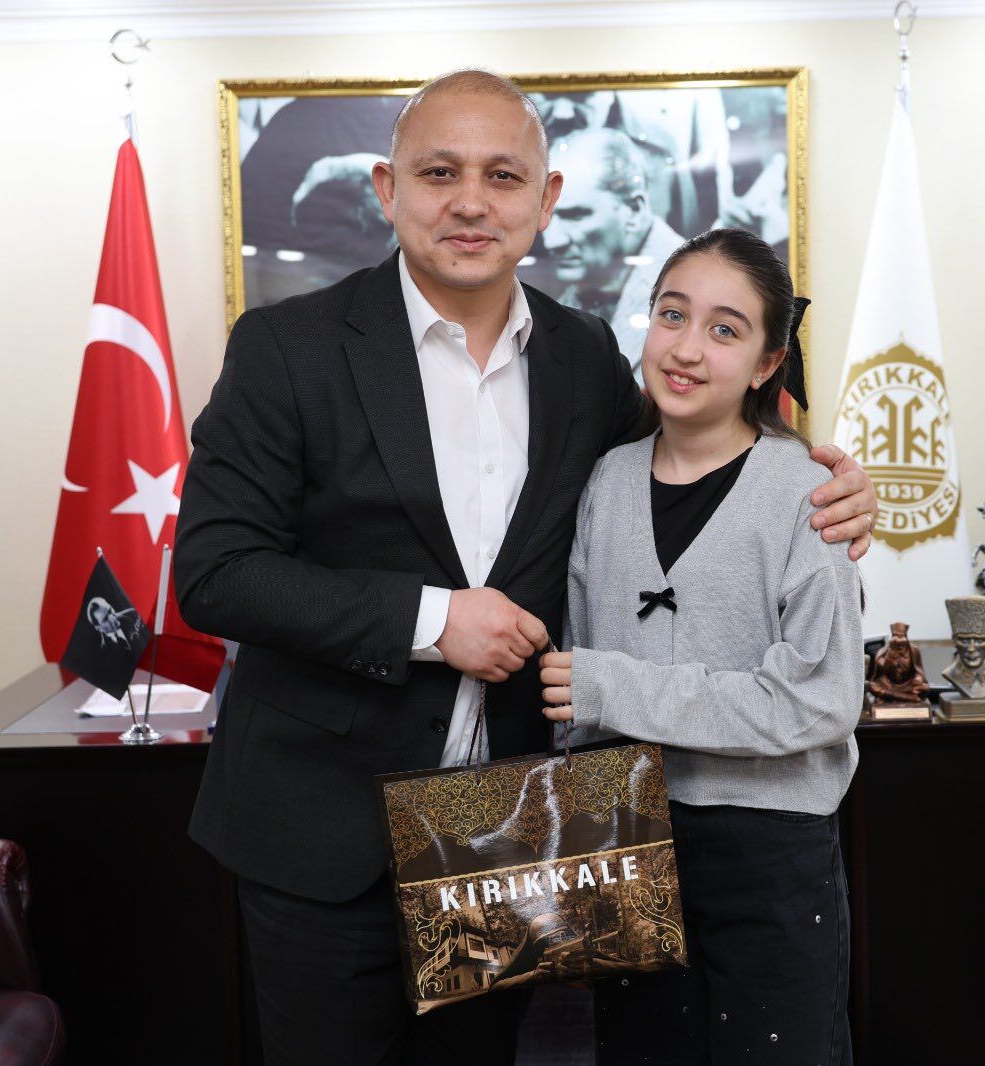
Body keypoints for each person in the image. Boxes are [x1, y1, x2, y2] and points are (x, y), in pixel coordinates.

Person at [175, 70, 878, 1066]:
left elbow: (691, 462)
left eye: (502, 176)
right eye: (440, 172)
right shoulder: (287, 347)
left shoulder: (585, 357)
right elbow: (216, 572)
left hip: (502, 836)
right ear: (386, 189)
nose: (471, 201)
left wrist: (827, 481)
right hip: (322, 838)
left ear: (544, 201)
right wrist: (432, 620)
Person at [541, 229, 863, 1065]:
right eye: (671, 315)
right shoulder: (605, 480)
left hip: (770, 855)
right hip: (629, 841)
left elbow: (821, 701)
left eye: (725, 330)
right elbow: (574, 682)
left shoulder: (810, 495)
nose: (686, 349)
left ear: (766, 363)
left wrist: (616, 688)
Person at [544, 127, 684, 381]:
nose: (552, 240)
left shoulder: (698, 287)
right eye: (547, 215)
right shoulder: (564, 302)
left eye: (575, 215)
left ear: (634, 210)